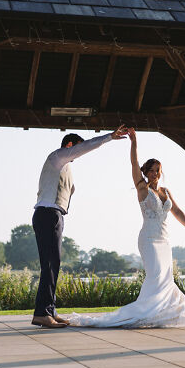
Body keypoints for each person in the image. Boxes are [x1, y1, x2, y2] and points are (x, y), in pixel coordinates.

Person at [65, 129, 185, 328]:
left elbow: (177, 211)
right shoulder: (142, 188)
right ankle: (144, 311)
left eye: (158, 170)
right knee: (155, 276)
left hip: (164, 240)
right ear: (146, 172)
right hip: (149, 239)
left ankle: (160, 312)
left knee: (166, 278)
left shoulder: (165, 191)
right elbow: (134, 163)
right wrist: (134, 142)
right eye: (152, 170)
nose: (155, 173)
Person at [31, 125, 128, 328]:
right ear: (69, 145)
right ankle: (42, 313)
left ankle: (49, 310)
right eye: (77, 148)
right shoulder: (57, 157)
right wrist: (110, 137)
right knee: (49, 265)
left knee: (54, 264)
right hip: (47, 214)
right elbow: (87, 146)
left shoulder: (65, 167)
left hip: (54, 215)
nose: (79, 154)